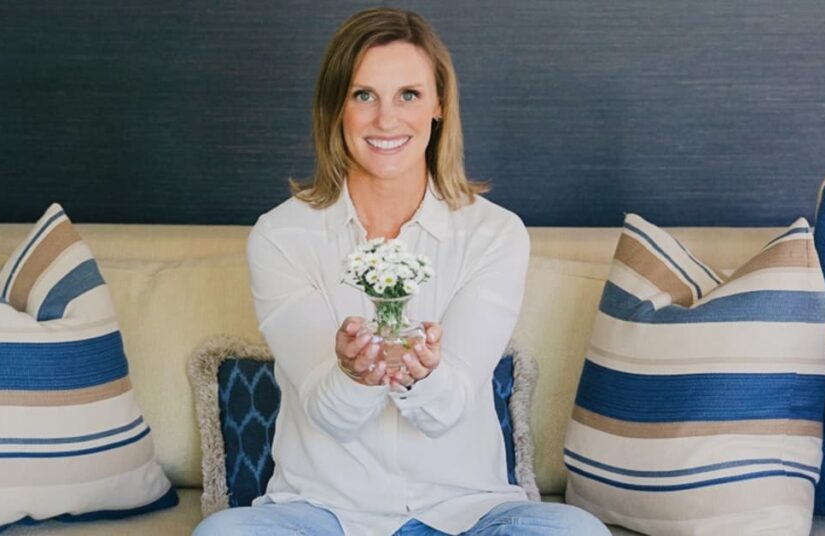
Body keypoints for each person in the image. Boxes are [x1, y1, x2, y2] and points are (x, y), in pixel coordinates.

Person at [194, 7, 610, 536]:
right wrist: (353, 374)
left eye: (408, 95)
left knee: (577, 531)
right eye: (363, 95)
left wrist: (424, 373)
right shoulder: (281, 236)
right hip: (322, 514)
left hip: (467, 513)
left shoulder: (493, 234)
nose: (386, 120)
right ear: (334, 108)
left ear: (438, 105)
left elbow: (447, 410)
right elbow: (332, 415)